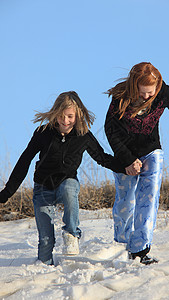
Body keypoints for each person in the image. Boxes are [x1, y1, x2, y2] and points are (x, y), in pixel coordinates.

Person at [0, 91, 125, 266]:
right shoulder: (43, 133)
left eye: (70, 116)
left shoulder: (83, 135)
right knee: (45, 242)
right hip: (43, 188)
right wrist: (7, 192)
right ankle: (45, 272)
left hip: (67, 182)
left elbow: (102, 157)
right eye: (60, 116)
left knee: (69, 188)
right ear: (54, 114)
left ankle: (72, 234)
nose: (65, 121)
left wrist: (126, 166)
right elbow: (24, 160)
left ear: (78, 115)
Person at [104, 62, 169, 265]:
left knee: (149, 198)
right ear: (133, 87)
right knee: (125, 202)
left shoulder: (162, 92)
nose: (147, 97)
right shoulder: (120, 97)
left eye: (151, 92)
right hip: (125, 155)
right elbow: (110, 130)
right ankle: (123, 241)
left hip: (151, 150)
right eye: (143, 92)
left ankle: (140, 250)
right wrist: (128, 160)